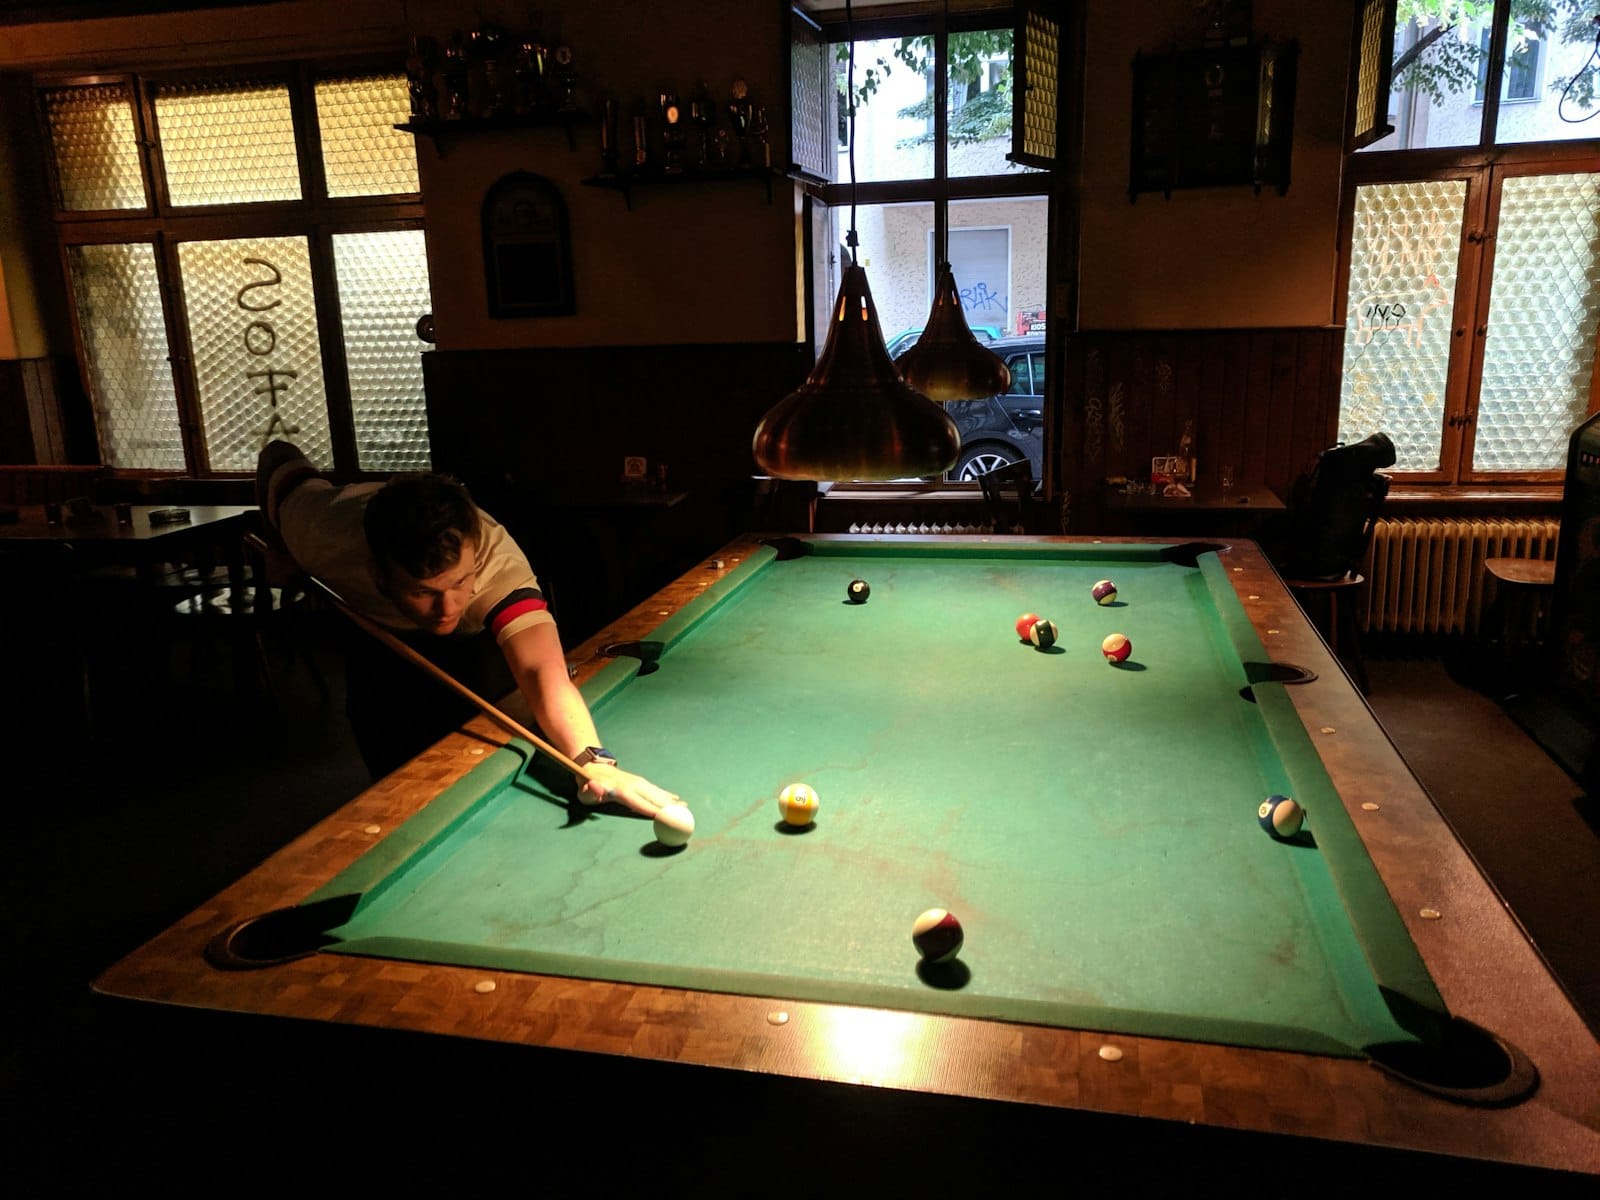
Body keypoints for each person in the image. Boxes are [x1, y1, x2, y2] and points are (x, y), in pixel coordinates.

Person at [256, 440, 677, 815]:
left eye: (459, 582)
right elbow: (279, 456)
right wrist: (278, 543)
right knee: (392, 767)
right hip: (379, 644)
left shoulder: (496, 565)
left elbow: (541, 671)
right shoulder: (321, 531)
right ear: (379, 575)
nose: (446, 607)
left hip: (477, 643)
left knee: (501, 711)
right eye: (422, 592)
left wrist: (594, 762)